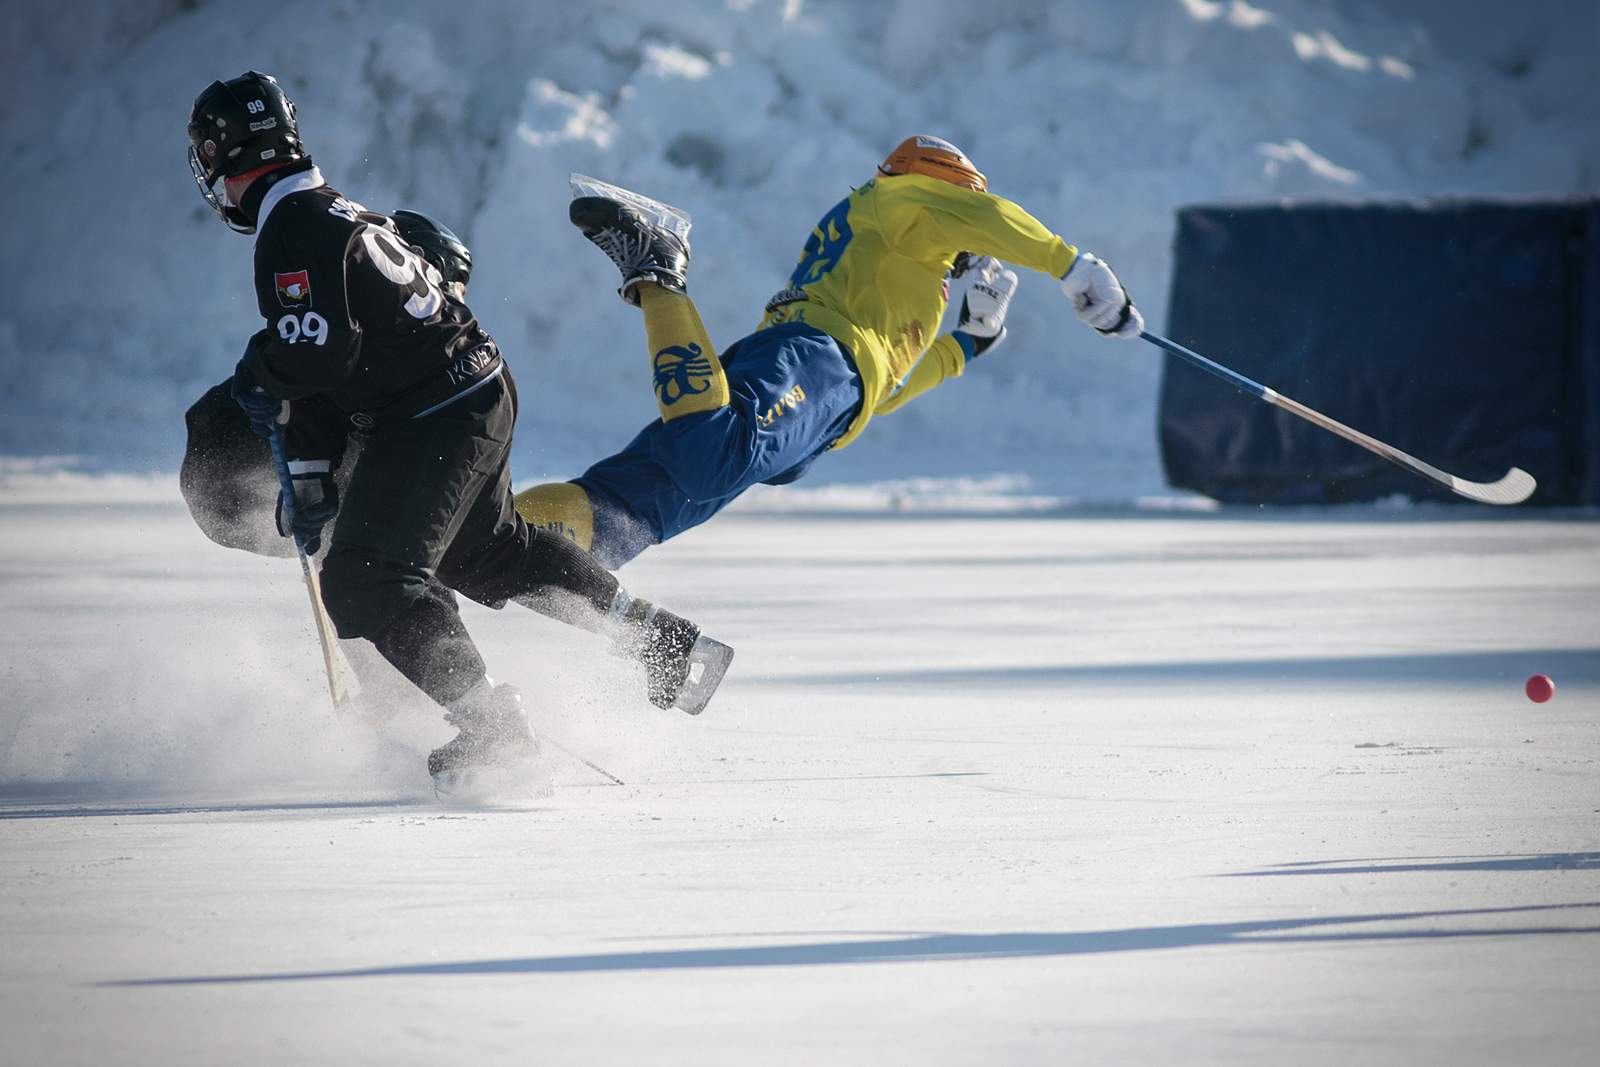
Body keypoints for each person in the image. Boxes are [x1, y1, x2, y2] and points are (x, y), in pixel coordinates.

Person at [185, 71, 732, 786]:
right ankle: (658, 639)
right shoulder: (330, 208)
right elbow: (333, 365)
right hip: (475, 388)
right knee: (487, 552)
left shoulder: (290, 226)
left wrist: (261, 372)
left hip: (434, 411)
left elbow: (317, 354)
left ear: (223, 155)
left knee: (364, 579)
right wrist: (314, 468)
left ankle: (496, 729)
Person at [513, 135, 1145, 567]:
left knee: (631, 513)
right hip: (816, 359)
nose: (965, 262)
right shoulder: (902, 202)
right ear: (949, 191)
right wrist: (1071, 266)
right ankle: (659, 266)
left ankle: (495, 538)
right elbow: (988, 217)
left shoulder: (896, 256)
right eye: (963, 240)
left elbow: (881, 389)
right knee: (709, 456)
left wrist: (967, 345)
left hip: (824, 386)